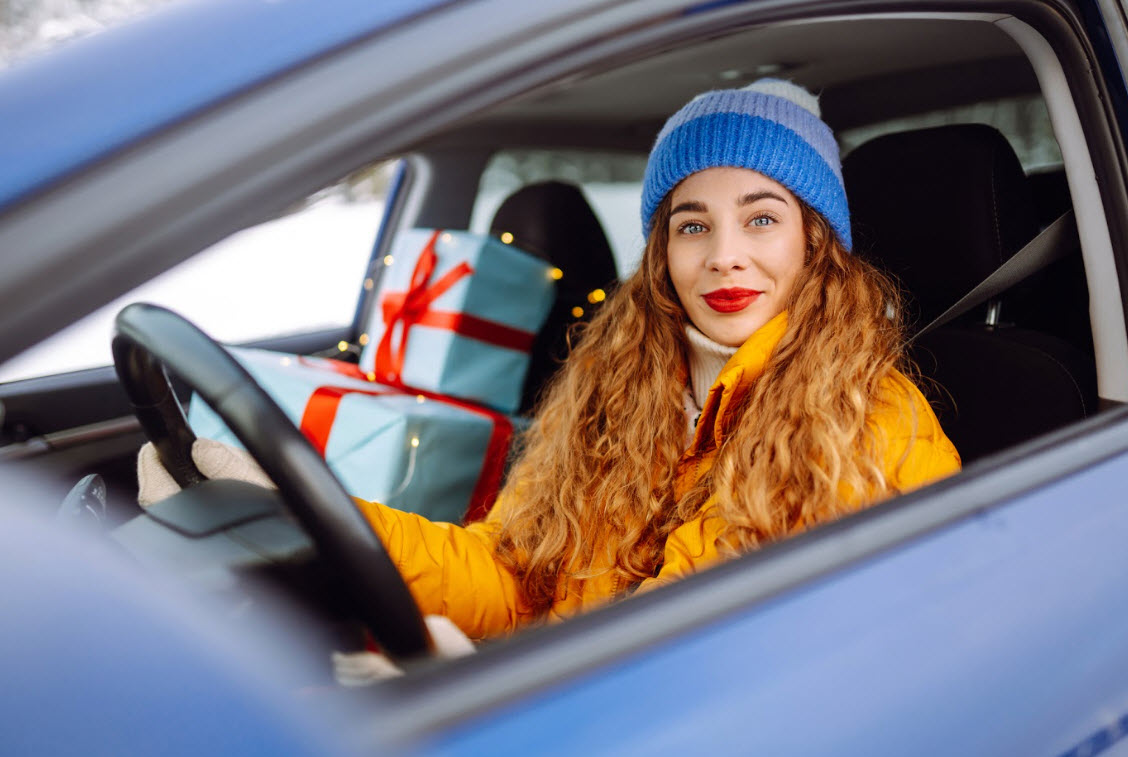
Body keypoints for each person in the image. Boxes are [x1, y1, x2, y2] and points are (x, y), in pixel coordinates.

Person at [139, 78, 960, 647]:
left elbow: (713, 649)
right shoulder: (611, 390)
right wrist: (302, 510)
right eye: (693, 225)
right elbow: (506, 576)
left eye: (761, 218)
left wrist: (514, 679)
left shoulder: (870, 420)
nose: (724, 258)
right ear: (662, 249)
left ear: (816, 242)